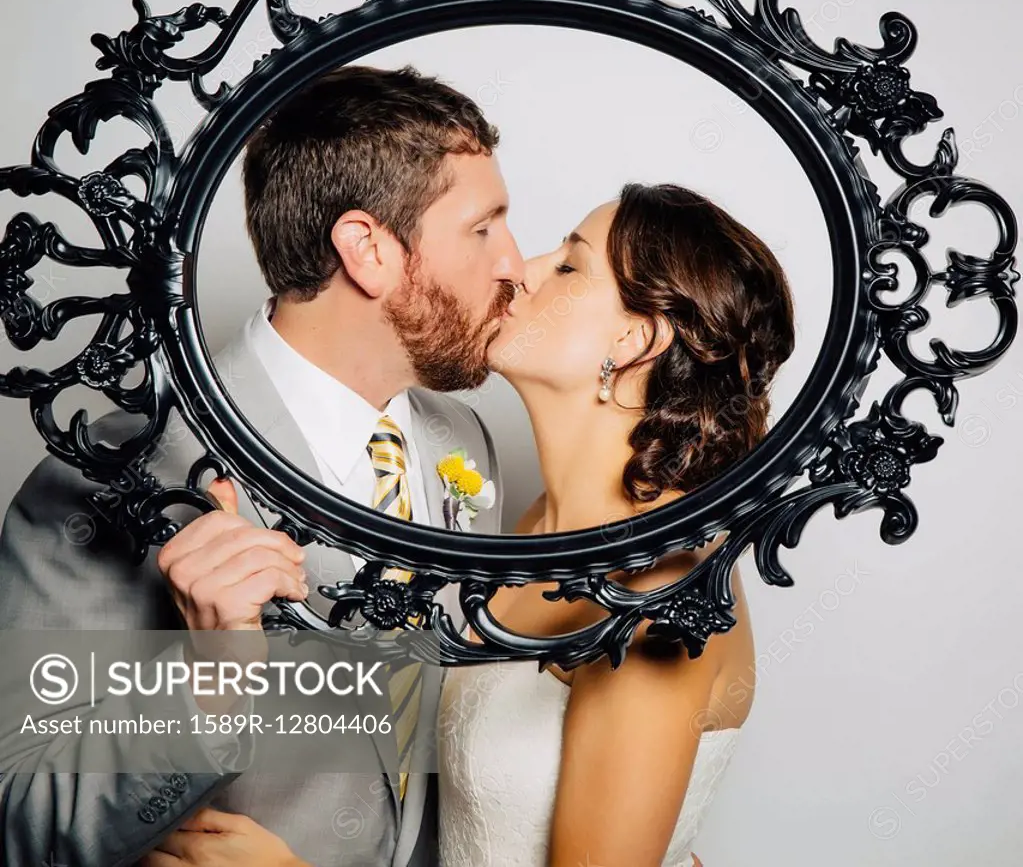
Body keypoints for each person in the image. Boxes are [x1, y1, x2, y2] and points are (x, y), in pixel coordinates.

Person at [0, 64, 524, 867]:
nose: (514, 265)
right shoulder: (118, 467)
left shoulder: (464, 442)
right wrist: (210, 681)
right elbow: (21, 814)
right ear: (368, 249)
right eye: (484, 228)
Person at [437, 182, 796, 867]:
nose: (520, 269)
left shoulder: (658, 596)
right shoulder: (536, 527)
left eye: (568, 265)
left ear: (635, 338)